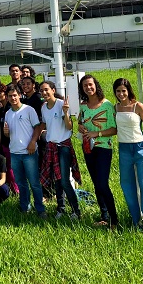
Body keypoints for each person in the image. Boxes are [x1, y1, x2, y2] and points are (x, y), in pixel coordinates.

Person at [113, 78, 143, 235]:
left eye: (123, 90)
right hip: (124, 149)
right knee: (127, 185)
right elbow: (114, 128)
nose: (121, 94)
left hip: (140, 148)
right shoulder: (115, 108)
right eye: (118, 91)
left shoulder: (137, 106)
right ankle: (137, 220)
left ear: (128, 90)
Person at [78, 74, 118, 229]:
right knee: (96, 183)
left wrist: (97, 133)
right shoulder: (83, 106)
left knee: (102, 183)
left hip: (103, 148)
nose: (88, 88)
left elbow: (114, 129)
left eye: (90, 84)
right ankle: (104, 216)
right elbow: (80, 123)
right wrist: (80, 127)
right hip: (88, 147)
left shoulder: (106, 105)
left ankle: (114, 220)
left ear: (96, 85)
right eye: (85, 86)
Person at [39, 81, 81, 220]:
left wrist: (65, 112)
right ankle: (61, 209)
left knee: (64, 181)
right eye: (42, 91)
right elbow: (45, 124)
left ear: (52, 90)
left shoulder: (61, 104)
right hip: (51, 146)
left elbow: (69, 127)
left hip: (63, 147)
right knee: (56, 180)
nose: (44, 93)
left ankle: (76, 210)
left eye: (46, 90)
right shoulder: (44, 107)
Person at [4, 85, 46, 218]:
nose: (13, 98)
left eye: (15, 95)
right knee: (21, 183)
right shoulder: (8, 113)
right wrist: (6, 133)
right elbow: (9, 134)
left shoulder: (29, 110)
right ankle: (25, 207)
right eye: (10, 96)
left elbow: (37, 128)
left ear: (20, 95)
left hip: (29, 152)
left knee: (34, 182)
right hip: (14, 152)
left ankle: (40, 209)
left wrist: (33, 142)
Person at [0, 84, 18, 195]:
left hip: (11, 143)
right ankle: (10, 187)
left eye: (0, 93)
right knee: (6, 166)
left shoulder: (10, 108)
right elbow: (0, 129)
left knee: (10, 167)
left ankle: (16, 190)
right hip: (3, 143)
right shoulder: (1, 109)